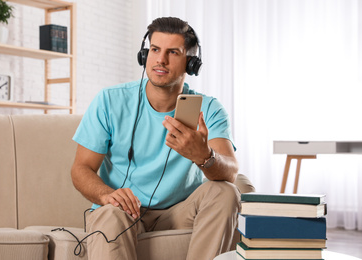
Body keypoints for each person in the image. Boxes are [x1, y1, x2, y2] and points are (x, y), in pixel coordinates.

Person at [71, 17, 241, 260]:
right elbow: (81, 168)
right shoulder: (110, 100)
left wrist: (205, 157)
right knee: (109, 213)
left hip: (179, 213)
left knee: (226, 192)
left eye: (173, 52)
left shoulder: (210, 109)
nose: (161, 59)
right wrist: (106, 196)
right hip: (123, 211)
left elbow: (231, 172)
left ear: (191, 64)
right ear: (144, 55)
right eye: (154, 50)